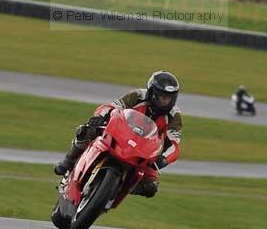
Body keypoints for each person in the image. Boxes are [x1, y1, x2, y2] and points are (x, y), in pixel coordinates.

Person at [54, 70, 182, 198]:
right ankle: (69, 160)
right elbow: (112, 107)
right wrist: (100, 116)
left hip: (143, 151)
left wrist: (164, 159)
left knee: (150, 188)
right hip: (119, 133)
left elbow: (174, 144)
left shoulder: (174, 115)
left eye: (169, 98)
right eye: (161, 96)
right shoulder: (137, 96)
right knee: (87, 130)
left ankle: (118, 189)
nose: (165, 101)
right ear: (152, 92)